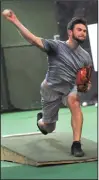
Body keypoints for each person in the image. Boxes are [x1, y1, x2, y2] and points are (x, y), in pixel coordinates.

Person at [2, 9, 93, 157]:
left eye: (84, 31)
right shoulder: (56, 46)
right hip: (51, 88)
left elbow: (86, 82)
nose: (83, 33)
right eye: (79, 30)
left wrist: (86, 86)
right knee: (48, 128)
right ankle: (42, 121)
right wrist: (15, 21)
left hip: (70, 88)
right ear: (70, 32)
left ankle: (76, 144)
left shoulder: (85, 57)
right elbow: (33, 39)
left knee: (74, 100)